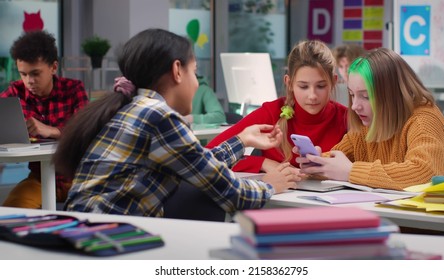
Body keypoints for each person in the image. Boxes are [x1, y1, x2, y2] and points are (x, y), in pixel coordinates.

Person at [52, 28, 301, 217]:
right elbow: (229, 192)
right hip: (107, 237)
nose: (196, 83)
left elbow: (196, 164)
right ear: (177, 70)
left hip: (86, 226)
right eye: (194, 72)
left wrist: (242, 140)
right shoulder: (159, 116)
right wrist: (268, 186)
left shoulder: (136, 106)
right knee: (206, 199)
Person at [296, 48, 444, 190]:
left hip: (441, 225)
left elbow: (426, 172)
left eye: (365, 96)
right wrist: (316, 163)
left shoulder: (424, 119)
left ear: (392, 95)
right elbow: (338, 161)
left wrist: (350, 171)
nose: (354, 106)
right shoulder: (366, 126)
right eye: (352, 95)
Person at [206, 40, 348, 173]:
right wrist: (263, 163)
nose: (312, 95)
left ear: (334, 82)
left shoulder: (346, 118)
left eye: (321, 86)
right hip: (276, 198)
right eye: (303, 86)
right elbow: (208, 154)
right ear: (289, 83)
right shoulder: (271, 112)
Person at [1, 30, 89, 208]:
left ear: (53, 67)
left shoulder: (73, 90)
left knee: (98, 215)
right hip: (39, 179)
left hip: (79, 177)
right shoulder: (14, 93)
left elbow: (87, 133)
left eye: (35, 73)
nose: (29, 81)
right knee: (10, 214)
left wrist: (53, 131)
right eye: (23, 74)